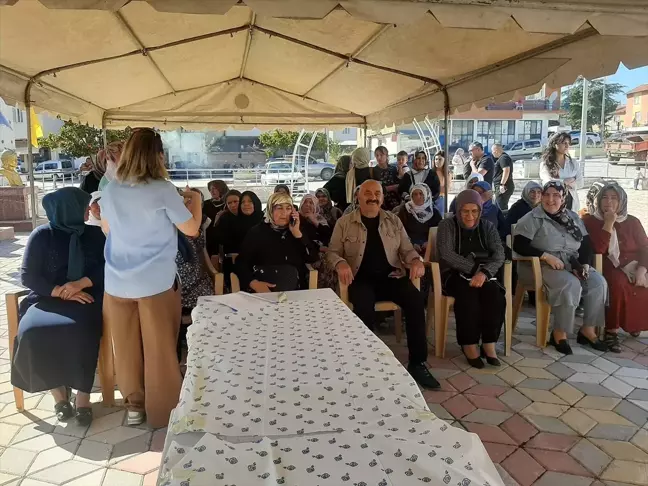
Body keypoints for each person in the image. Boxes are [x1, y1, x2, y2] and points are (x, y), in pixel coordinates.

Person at [100, 128, 203, 428]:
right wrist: (195, 200)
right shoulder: (162, 189)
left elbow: (107, 229)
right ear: (158, 155)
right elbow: (191, 229)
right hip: (155, 283)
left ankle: (134, 406)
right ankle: (163, 412)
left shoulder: (111, 189)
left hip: (117, 282)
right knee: (159, 348)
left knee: (127, 347)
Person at [326, 180, 440, 389]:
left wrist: (415, 260)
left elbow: (407, 249)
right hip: (360, 279)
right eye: (367, 193)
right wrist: (341, 263)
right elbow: (332, 253)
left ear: (381, 197)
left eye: (377, 193)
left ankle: (417, 363)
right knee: (363, 308)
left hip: (391, 277)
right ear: (358, 197)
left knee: (415, 300)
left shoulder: (393, 221)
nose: (373, 196)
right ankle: (366, 363)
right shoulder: (344, 222)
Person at [11, 187, 106, 426]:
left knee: (82, 330)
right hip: (47, 299)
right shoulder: (42, 235)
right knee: (33, 331)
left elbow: (108, 266)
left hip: (87, 298)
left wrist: (80, 284)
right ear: (68, 209)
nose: (90, 210)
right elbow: (28, 276)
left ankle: (83, 398)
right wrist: (60, 291)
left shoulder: (96, 235)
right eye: (84, 206)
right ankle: (59, 398)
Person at [513, 181, 608, 355]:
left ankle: (588, 330)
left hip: (571, 263)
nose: (551, 199)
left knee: (597, 283)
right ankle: (559, 333)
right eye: (547, 194)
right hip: (538, 266)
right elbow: (519, 245)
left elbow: (586, 244)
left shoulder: (572, 217)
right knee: (570, 284)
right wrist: (546, 256)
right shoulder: (532, 218)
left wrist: (585, 265)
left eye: (556, 195)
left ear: (563, 197)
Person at [436, 189, 506, 368]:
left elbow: (499, 255)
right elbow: (447, 254)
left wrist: (484, 273)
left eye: (474, 211)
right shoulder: (447, 225)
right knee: (468, 297)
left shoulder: (487, 226)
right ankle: (469, 344)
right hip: (453, 275)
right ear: (458, 210)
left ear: (480, 211)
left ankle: (489, 343)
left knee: (495, 295)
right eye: (465, 211)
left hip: (484, 275)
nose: (470, 216)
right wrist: (474, 269)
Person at [583, 182, 648, 351]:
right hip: (606, 264)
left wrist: (642, 269)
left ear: (622, 202)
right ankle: (611, 331)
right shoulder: (590, 221)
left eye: (614, 198)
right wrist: (608, 224)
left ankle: (635, 323)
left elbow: (645, 248)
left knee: (642, 281)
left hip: (634, 263)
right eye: (604, 198)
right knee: (617, 284)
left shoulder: (633, 222)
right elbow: (598, 249)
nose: (608, 202)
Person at [236, 192, 319, 292]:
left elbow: (312, 257)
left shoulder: (297, 230)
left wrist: (297, 234)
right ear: (270, 210)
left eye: (288, 208)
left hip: (295, 289)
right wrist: (253, 283)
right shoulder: (256, 232)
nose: (284, 213)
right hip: (264, 289)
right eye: (279, 208)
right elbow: (241, 263)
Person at [175, 188, 214, 359]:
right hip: (175, 283)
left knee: (208, 299)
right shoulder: (170, 225)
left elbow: (201, 247)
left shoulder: (195, 227)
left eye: (193, 203)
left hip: (197, 280)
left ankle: (205, 350)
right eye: (186, 202)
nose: (189, 206)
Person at [299, 194, 336, 289]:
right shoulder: (298, 219)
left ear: (316, 206)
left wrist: (313, 220)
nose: (307, 205)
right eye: (305, 202)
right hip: (308, 253)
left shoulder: (320, 218)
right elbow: (303, 239)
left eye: (311, 202)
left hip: (324, 250)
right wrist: (319, 247)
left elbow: (328, 235)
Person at [540, 132, 583, 211]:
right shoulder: (546, 164)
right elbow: (548, 183)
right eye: (564, 143)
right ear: (554, 144)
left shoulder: (573, 163)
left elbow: (580, 183)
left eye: (568, 143)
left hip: (571, 202)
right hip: (553, 202)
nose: (567, 146)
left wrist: (560, 183)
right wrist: (566, 182)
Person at [397, 183, 442, 254]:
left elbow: (440, 232)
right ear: (411, 196)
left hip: (430, 248)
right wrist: (411, 244)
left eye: (421, 193)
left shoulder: (434, 212)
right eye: (415, 194)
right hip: (408, 248)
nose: (418, 196)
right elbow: (399, 231)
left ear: (426, 195)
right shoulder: (405, 210)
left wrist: (429, 243)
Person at [206, 190, 242, 256]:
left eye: (235, 201)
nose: (233, 205)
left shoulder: (248, 217)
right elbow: (218, 241)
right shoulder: (223, 219)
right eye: (229, 203)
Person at [374, 146, 401, 211]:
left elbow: (399, 183)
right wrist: (390, 188)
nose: (379, 157)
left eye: (381, 155)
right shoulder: (374, 170)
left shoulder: (393, 168)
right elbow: (376, 188)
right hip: (382, 202)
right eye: (377, 155)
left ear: (386, 156)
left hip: (396, 200)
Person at [491, 143, 514, 210]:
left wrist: (502, 184)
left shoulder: (503, 158)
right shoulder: (502, 158)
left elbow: (506, 170)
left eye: (492, 151)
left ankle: (503, 220)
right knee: (498, 205)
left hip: (504, 186)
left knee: (501, 207)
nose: (492, 153)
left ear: (496, 150)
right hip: (502, 186)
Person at [433, 150, 447, 215]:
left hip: (441, 199)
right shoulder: (430, 172)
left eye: (440, 159)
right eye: (436, 159)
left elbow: (447, 189)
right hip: (430, 199)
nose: (437, 161)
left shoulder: (447, 174)